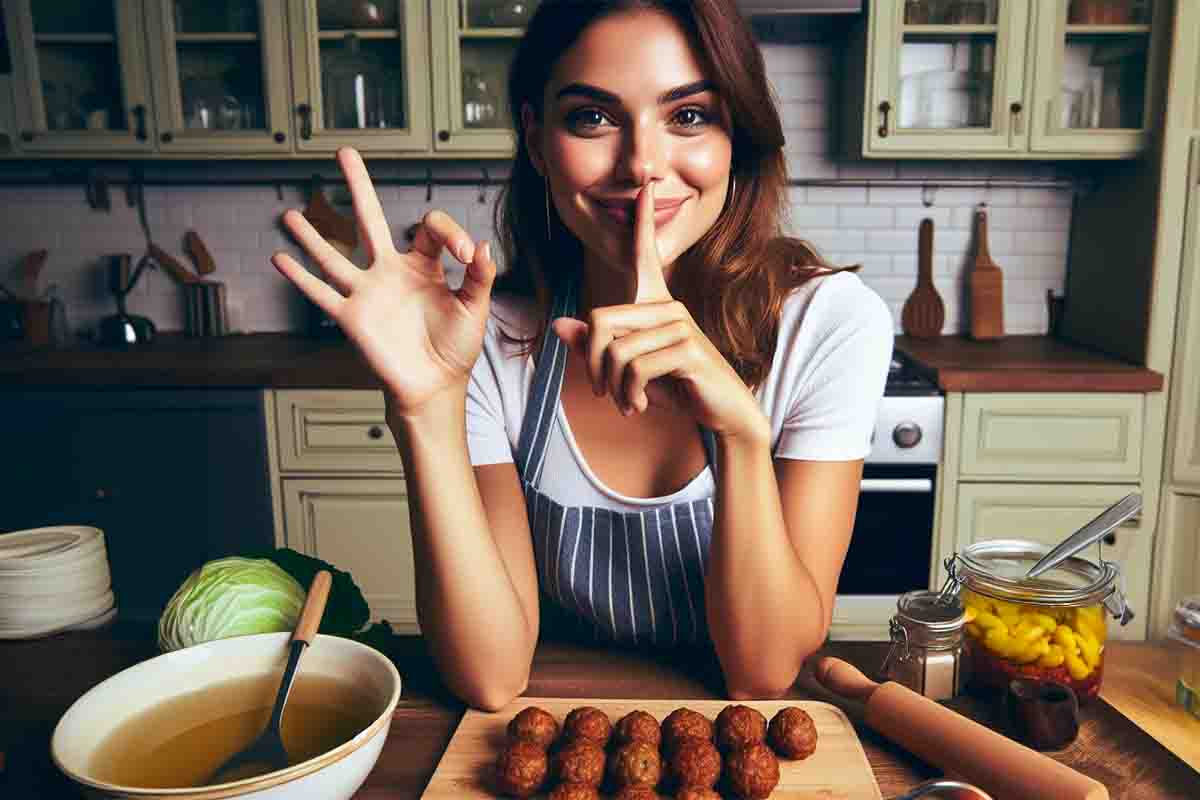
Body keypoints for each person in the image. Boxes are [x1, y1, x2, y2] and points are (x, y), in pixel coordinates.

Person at [272, 0, 892, 710]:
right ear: (537, 141)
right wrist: (426, 405)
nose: (642, 166)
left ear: (736, 136)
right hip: (565, 724)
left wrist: (743, 435)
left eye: (688, 116)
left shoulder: (829, 324)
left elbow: (763, 673)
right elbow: (492, 675)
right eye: (593, 118)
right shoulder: (486, 341)